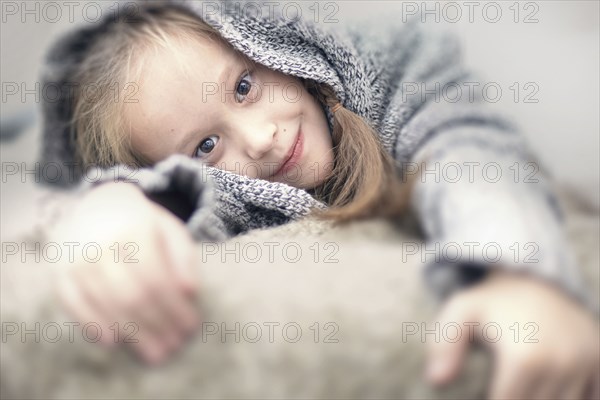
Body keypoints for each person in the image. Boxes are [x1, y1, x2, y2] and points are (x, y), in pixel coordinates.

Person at [40, 1, 598, 398]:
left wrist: (511, 271)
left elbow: (466, 154)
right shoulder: (226, 184)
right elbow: (177, 200)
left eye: (244, 87)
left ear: (272, 48)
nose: (261, 138)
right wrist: (111, 207)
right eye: (206, 145)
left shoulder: (391, 70)